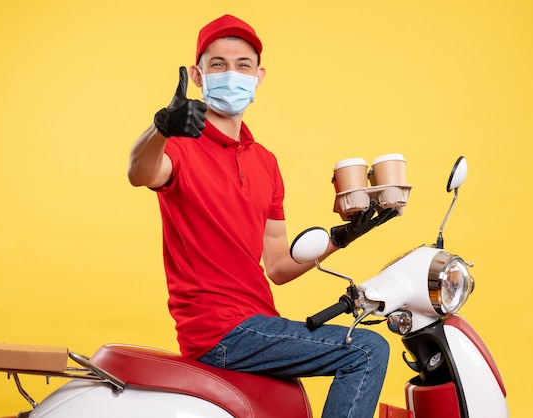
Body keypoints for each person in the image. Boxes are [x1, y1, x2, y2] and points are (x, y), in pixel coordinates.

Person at [127, 14, 397, 418]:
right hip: (218, 330)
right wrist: (162, 126)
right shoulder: (182, 144)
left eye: (243, 65)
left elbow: (279, 266)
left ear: (259, 76)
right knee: (366, 350)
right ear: (198, 76)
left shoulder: (265, 162)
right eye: (218, 64)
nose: (231, 74)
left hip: (257, 323)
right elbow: (140, 172)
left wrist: (342, 238)